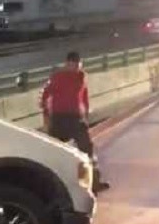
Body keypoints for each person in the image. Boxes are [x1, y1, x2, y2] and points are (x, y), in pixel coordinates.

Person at [40, 51, 110, 193]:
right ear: (67, 63)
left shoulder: (81, 76)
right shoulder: (57, 76)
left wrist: (86, 112)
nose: (75, 67)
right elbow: (45, 94)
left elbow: (84, 95)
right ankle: (49, 186)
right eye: (73, 64)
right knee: (54, 153)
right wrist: (46, 113)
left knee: (87, 150)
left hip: (75, 118)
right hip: (59, 118)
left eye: (78, 64)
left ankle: (94, 182)